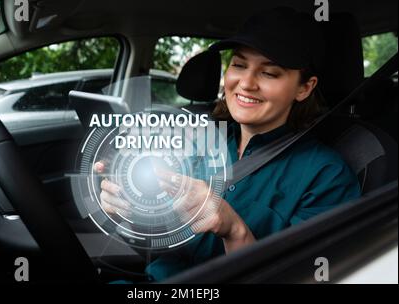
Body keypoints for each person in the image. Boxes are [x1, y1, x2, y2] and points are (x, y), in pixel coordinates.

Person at [95, 7, 361, 282]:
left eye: (269, 73)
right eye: (239, 64)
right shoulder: (200, 142)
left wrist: (234, 229)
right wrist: (129, 208)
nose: (246, 83)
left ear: (304, 88)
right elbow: (163, 242)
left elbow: (300, 277)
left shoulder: (326, 176)